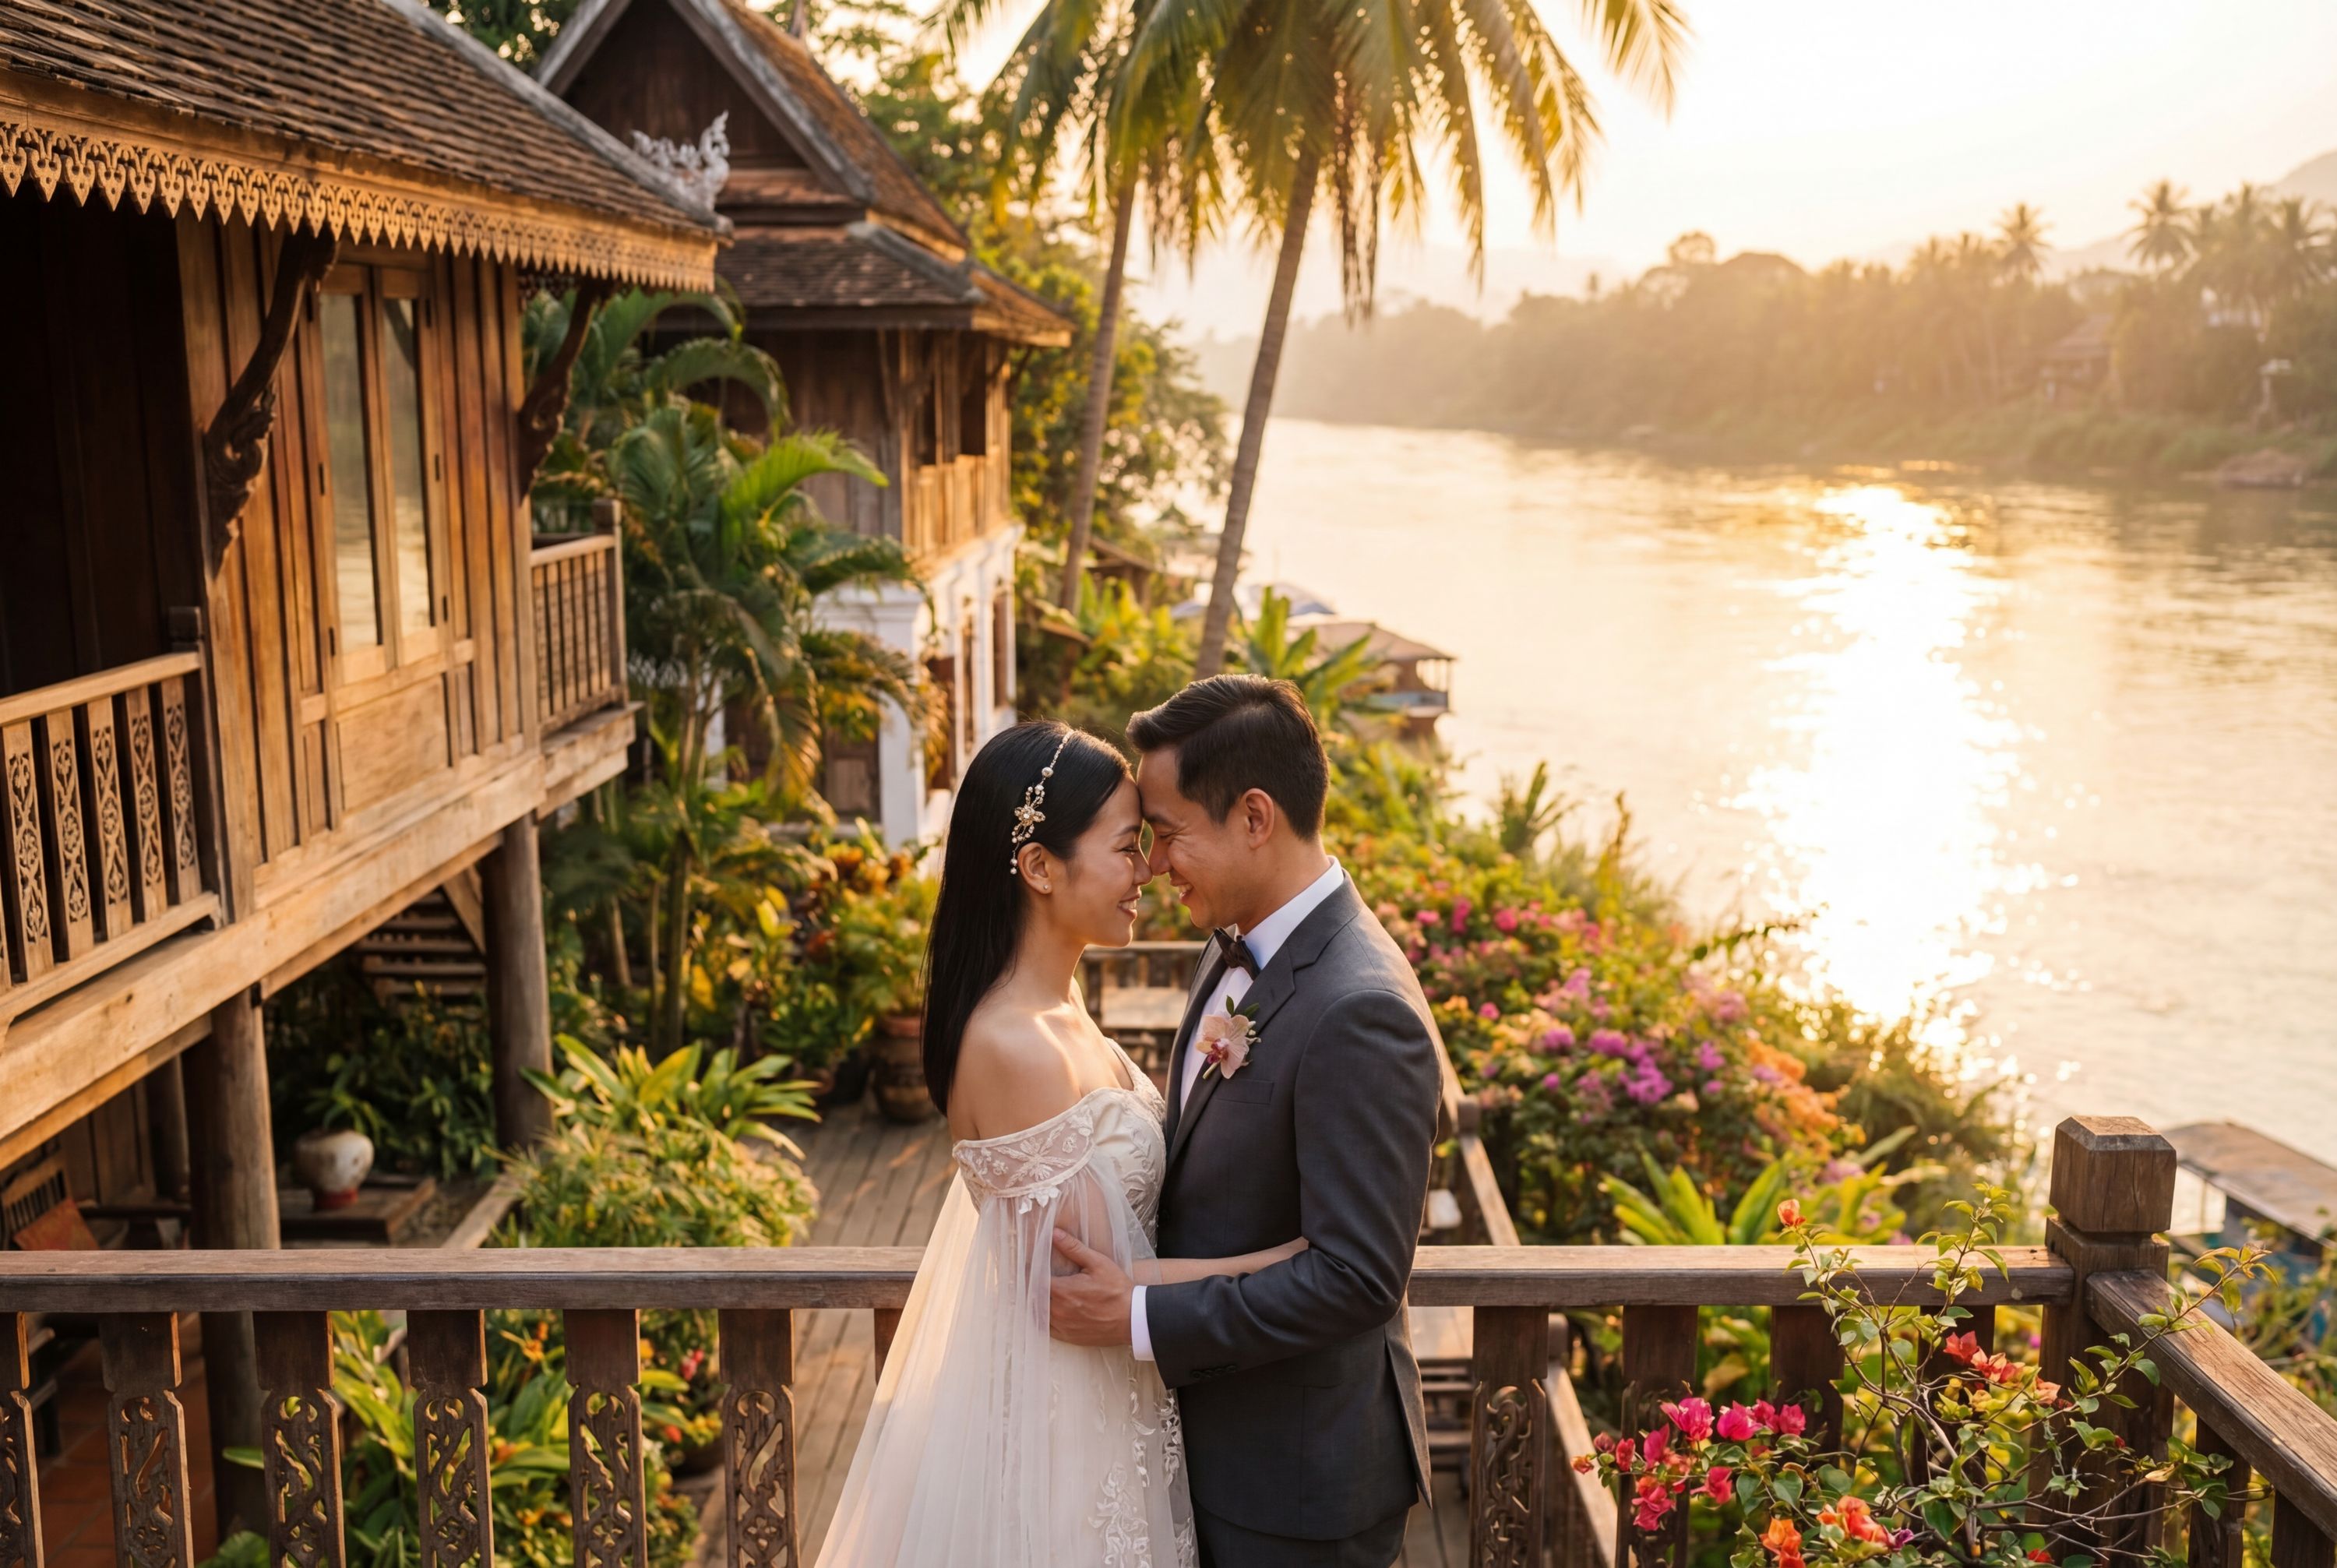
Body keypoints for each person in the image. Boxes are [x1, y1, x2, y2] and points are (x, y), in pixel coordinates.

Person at [816, 720, 1306, 1567]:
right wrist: (1287, 1261)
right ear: (1040, 867)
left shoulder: (1064, 1008)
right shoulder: (1012, 1046)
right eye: (1126, 848)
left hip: (1114, 1399)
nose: (1147, 870)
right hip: (1063, 1425)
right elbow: (1093, 1282)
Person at [1049, 675, 1443, 1567]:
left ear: (1255, 818)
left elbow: (1355, 1276)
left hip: (1296, 1485)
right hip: (1210, 1449)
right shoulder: (1232, 943)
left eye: (1170, 833)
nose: (1152, 865)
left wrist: (1140, 1318)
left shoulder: (1360, 1010)